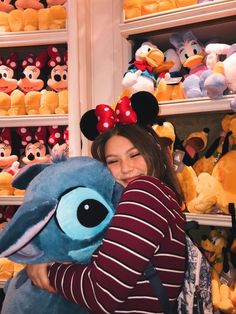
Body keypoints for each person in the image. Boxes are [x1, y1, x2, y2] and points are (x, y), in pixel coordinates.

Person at [26, 121, 186, 313]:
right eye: (113, 161)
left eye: (135, 155)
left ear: (154, 154)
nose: (126, 168)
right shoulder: (163, 197)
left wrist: (49, 270)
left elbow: (102, 293)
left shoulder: (145, 191)